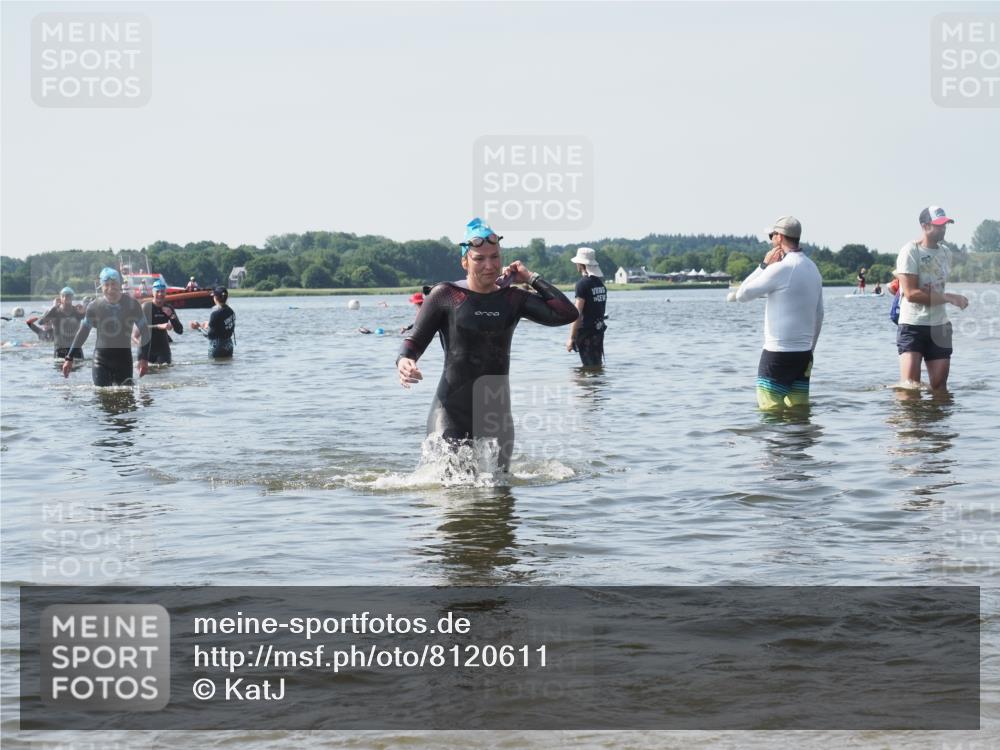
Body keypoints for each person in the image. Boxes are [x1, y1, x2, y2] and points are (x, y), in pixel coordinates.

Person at [396, 217, 578, 471]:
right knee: (455, 495)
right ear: (464, 262)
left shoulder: (513, 299)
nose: (489, 265)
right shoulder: (446, 295)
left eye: (494, 257)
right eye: (479, 259)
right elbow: (413, 342)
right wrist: (405, 361)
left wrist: (531, 277)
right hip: (450, 414)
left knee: (500, 498)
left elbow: (567, 314)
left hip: (498, 419)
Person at [735, 216, 824, 410]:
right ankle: (801, 441)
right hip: (803, 354)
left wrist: (763, 265)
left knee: (770, 413)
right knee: (799, 413)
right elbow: (819, 314)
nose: (770, 240)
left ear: (780, 237)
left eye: (771, 236)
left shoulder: (781, 268)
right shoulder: (813, 268)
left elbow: (741, 294)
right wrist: (810, 351)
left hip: (777, 354)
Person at [894, 206, 969, 390]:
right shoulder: (911, 250)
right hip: (913, 325)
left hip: (939, 325)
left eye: (945, 225)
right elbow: (911, 294)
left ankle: (939, 419)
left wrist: (932, 293)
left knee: (940, 387)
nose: (943, 229)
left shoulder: (946, 253)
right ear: (925, 226)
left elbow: (932, 285)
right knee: (910, 387)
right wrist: (948, 297)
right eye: (938, 225)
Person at [62, 268, 150, 385]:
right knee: (101, 397)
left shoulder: (132, 305)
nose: (110, 289)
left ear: (119, 285)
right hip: (101, 361)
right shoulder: (94, 307)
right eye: (106, 285)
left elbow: (146, 332)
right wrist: (69, 358)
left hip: (124, 362)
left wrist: (144, 359)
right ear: (101, 287)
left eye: (113, 284)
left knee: (126, 400)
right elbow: (83, 333)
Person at [565, 247, 607, 367]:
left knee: (589, 368)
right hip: (598, 331)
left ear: (581, 264)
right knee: (597, 365)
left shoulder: (582, 284)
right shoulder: (600, 284)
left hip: (586, 334)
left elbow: (577, 313)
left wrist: (571, 338)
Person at [141, 279, 183, 364]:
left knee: (165, 375)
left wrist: (171, 316)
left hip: (163, 351)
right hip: (148, 349)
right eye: (157, 291)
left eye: (162, 291)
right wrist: (159, 326)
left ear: (165, 293)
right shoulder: (146, 307)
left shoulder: (169, 308)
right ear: (153, 293)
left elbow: (179, 331)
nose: (160, 294)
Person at [38, 286, 84, 359]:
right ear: (60, 298)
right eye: (63, 296)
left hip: (76, 349)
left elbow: (91, 323)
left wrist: (84, 312)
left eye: (68, 296)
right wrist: (52, 309)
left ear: (72, 297)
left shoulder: (77, 311)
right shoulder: (55, 311)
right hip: (59, 349)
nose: (66, 298)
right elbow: (40, 322)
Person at [191, 287, 235, 358]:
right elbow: (225, 327)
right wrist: (209, 324)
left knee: (214, 367)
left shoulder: (215, 314)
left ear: (216, 298)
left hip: (217, 347)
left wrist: (198, 327)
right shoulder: (231, 311)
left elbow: (210, 335)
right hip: (229, 346)